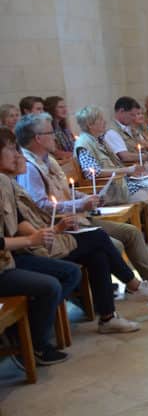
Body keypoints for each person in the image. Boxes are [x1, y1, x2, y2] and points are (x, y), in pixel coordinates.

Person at [15, 113, 148, 298]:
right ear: (38, 138)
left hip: (79, 216)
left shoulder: (47, 160)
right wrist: (80, 203)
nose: (55, 137)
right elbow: (41, 206)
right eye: (51, 132)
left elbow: (65, 189)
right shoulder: (30, 168)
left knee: (131, 232)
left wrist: (86, 196)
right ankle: (124, 289)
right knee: (112, 244)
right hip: (62, 225)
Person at [1, 129, 148, 334]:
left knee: (98, 252)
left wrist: (53, 228)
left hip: (45, 234)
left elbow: (22, 220)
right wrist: (36, 237)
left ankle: (108, 317)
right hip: (20, 254)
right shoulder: (25, 170)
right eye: (12, 150)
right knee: (96, 242)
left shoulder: (15, 178)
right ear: (37, 137)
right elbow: (35, 213)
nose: (19, 155)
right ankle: (133, 286)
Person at [0, 135, 80, 367]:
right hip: (7, 263)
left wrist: (48, 232)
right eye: (11, 150)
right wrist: (30, 240)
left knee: (70, 271)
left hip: (11, 259)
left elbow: (17, 220)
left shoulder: (5, 182)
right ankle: (33, 344)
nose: (18, 155)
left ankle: (29, 330)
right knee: (50, 285)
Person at [74, 105, 148, 243]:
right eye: (100, 120)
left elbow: (114, 163)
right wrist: (127, 170)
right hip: (109, 190)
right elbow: (93, 173)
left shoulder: (98, 140)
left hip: (121, 181)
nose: (105, 122)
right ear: (91, 125)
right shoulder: (84, 144)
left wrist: (131, 171)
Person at [105, 97, 148, 166]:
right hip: (129, 172)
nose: (134, 118)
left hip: (142, 166)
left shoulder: (131, 128)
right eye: (132, 115)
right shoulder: (112, 132)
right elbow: (125, 156)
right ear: (121, 111)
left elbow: (145, 148)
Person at [43, 96, 75, 161]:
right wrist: (76, 154)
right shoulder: (48, 128)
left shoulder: (63, 126)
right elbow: (55, 152)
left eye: (65, 106)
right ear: (51, 109)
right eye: (60, 107)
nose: (64, 110)